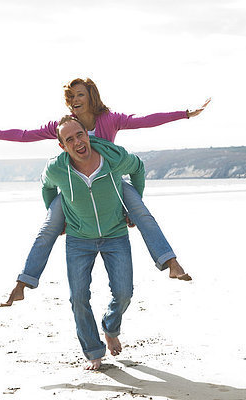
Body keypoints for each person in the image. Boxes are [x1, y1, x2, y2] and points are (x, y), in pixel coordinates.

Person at [0, 78, 209, 305]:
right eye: (70, 96)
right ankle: (23, 283)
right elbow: (24, 135)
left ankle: (171, 263)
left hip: (111, 182)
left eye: (79, 95)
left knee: (142, 214)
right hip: (76, 187)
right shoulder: (65, 125)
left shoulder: (110, 119)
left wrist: (185, 114)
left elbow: (146, 120)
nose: (74, 100)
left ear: (91, 96)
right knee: (48, 228)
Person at [44, 115, 144, 369]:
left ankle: (110, 328)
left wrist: (134, 206)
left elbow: (138, 168)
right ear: (63, 146)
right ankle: (93, 351)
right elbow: (47, 187)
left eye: (80, 134)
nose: (78, 141)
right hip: (79, 239)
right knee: (78, 297)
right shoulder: (57, 168)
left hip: (115, 234)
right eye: (70, 139)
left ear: (87, 134)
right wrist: (58, 218)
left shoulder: (112, 158)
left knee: (124, 293)